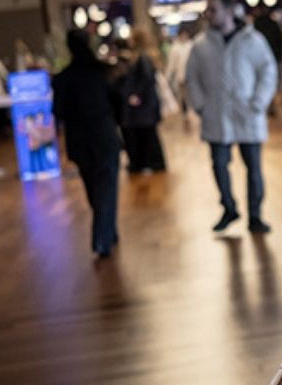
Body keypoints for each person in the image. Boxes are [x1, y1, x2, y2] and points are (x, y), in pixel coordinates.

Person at [186, 0, 278, 235]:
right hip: (216, 115)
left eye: (214, 9)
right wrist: (200, 105)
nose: (209, 14)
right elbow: (191, 78)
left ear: (229, 11)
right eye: (208, 10)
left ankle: (255, 216)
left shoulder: (252, 40)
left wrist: (259, 101)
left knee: (254, 168)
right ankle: (229, 207)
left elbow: (268, 71)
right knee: (219, 165)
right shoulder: (201, 45)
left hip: (247, 112)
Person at [52, 29, 122, 258]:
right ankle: (103, 235)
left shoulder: (63, 78)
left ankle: (107, 232)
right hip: (103, 136)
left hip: (79, 139)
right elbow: (117, 103)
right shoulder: (101, 72)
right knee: (106, 186)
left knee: (93, 187)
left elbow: (58, 111)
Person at [116, 30, 167, 173]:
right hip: (146, 104)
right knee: (147, 134)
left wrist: (136, 95)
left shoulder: (142, 57)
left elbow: (146, 78)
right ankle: (151, 162)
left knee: (147, 134)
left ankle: (152, 163)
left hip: (143, 105)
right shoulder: (145, 56)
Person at [254, 6, 282, 117]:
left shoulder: (256, 27)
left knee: (266, 82)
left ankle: (271, 105)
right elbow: (280, 40)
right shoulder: (274, 24)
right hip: (276, 58)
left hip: (262, 61)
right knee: (280, 82)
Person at [163, 27, 196, 127]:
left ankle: (194, 115)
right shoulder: (175, 48)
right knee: (184, 99)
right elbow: (171, 65)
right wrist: (166, 78)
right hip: (182, 78)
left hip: (194, 78)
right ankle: (186, 117)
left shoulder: (193, 45)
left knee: (194, 97)